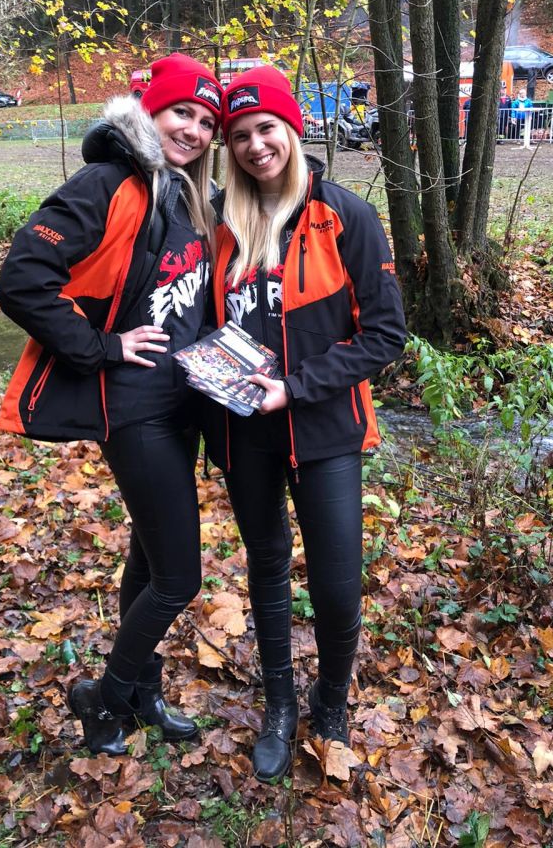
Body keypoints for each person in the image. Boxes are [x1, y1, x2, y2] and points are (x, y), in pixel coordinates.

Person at [0, 53, 222, 755]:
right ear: (150, 109)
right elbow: (22, 277)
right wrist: (101, 346)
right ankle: (104, 696)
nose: (193, 129)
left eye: (206, 121)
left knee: (150, 562)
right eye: (182, 111)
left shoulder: (190, 196)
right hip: (133, 410)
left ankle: (142, 694)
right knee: (179, 576)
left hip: (181, 405)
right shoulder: (108, 182)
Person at [204, 66, 407, 782]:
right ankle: (280, 706)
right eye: (239, 136)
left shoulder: (345, 215)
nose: (255, 146)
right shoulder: (217, 221)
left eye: (266, 129)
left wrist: (294, 389)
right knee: (266, 568)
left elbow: (384, 335)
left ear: (291, 129)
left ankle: (331, 707)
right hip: (242, 431)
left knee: (337, 584)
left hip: (325, 432)